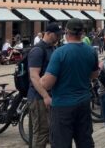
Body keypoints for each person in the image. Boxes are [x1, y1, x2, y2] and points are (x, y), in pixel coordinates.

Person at [41, 18, 99, 148]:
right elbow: (94, 75)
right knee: (85, 142)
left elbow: (47, 83)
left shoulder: (60, 53)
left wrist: (40, 80)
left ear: (67, 32)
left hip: (63, 107)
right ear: (82, 33)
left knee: (61, 143)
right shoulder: (91, 51)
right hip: (84, 104)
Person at [28, 23, 62, 148]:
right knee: (41, 132)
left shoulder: (52, 48)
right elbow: (34, 76)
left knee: (51, 131)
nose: (58, 37)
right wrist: (45, 96)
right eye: (56, 35)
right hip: (38, 97)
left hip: (49, 95)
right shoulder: (38, 50)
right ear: (48, 33)